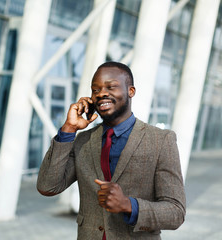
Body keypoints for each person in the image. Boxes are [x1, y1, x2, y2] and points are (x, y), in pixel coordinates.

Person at [37, 61, 186, 239]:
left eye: (111, 87)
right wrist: (68, 129)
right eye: (95, 90)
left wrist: (128, 205)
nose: (102, 94)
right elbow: (48, 186)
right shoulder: (83, 141)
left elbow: (175, 212)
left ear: (131, 91)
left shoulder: (161, 141)